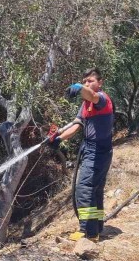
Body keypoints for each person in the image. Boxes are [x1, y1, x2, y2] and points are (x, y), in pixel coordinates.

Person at [49, 68, 114, 242]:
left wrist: (78, 87)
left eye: (90, 81)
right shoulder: (85, 104)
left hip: (98, 151)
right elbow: (77, 125)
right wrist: (59, 139)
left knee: (84, 189)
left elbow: (93, 96)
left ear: (100, 83)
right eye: (84, 81)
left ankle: (88, 232)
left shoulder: (102, 98)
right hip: (91, 149)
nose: (87, 84)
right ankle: (97, 227)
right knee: (95, 190)